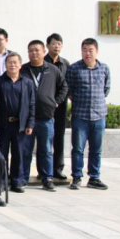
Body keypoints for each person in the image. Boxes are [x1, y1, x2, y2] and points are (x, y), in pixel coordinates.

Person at [21, 40, 68, 191]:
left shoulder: (52, 70)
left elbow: (64, 87)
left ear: (43, 51)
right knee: (26, 150)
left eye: (37, 50)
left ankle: (47, 179)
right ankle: (23, 178)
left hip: (46, 117)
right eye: (31, 50)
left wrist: (57, 101)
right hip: (27, 119)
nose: (34, 53)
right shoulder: (23, 70)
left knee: (46, 150)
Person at [65, 38, 111, 191]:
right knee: (78, 149)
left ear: (96, 51)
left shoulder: (104, 68)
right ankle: (77, 177)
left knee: (96, 149)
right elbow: (69, 90)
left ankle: (94, 177)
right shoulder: (74, 68)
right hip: (80, 115)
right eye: (84, 50)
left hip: (99, 115)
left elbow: (106, 89)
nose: (87, 53)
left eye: (90, 50)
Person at [0, 53, 35, 193]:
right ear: (5, 65)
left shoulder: (27, 82)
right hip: (3, 124)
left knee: (18, 154)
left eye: (15, 62)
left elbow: (32, 104)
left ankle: (17, 181)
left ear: (20, 64)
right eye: (9, 62)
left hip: (20, 125)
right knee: (2, 154)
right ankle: (1, 181)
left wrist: (30, 124)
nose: (12, 65)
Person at [46, 33, 71, 180]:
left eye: (59, 44)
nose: (56, 46)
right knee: (44, 140)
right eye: (54, 43)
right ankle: (45, 169)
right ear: (47, 45)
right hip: (45, 107)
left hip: (60, 107)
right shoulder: (43, 62)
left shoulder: (65, 64)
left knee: (59, 138)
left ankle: (58, 168)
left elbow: (67, 86)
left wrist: (58, 101)